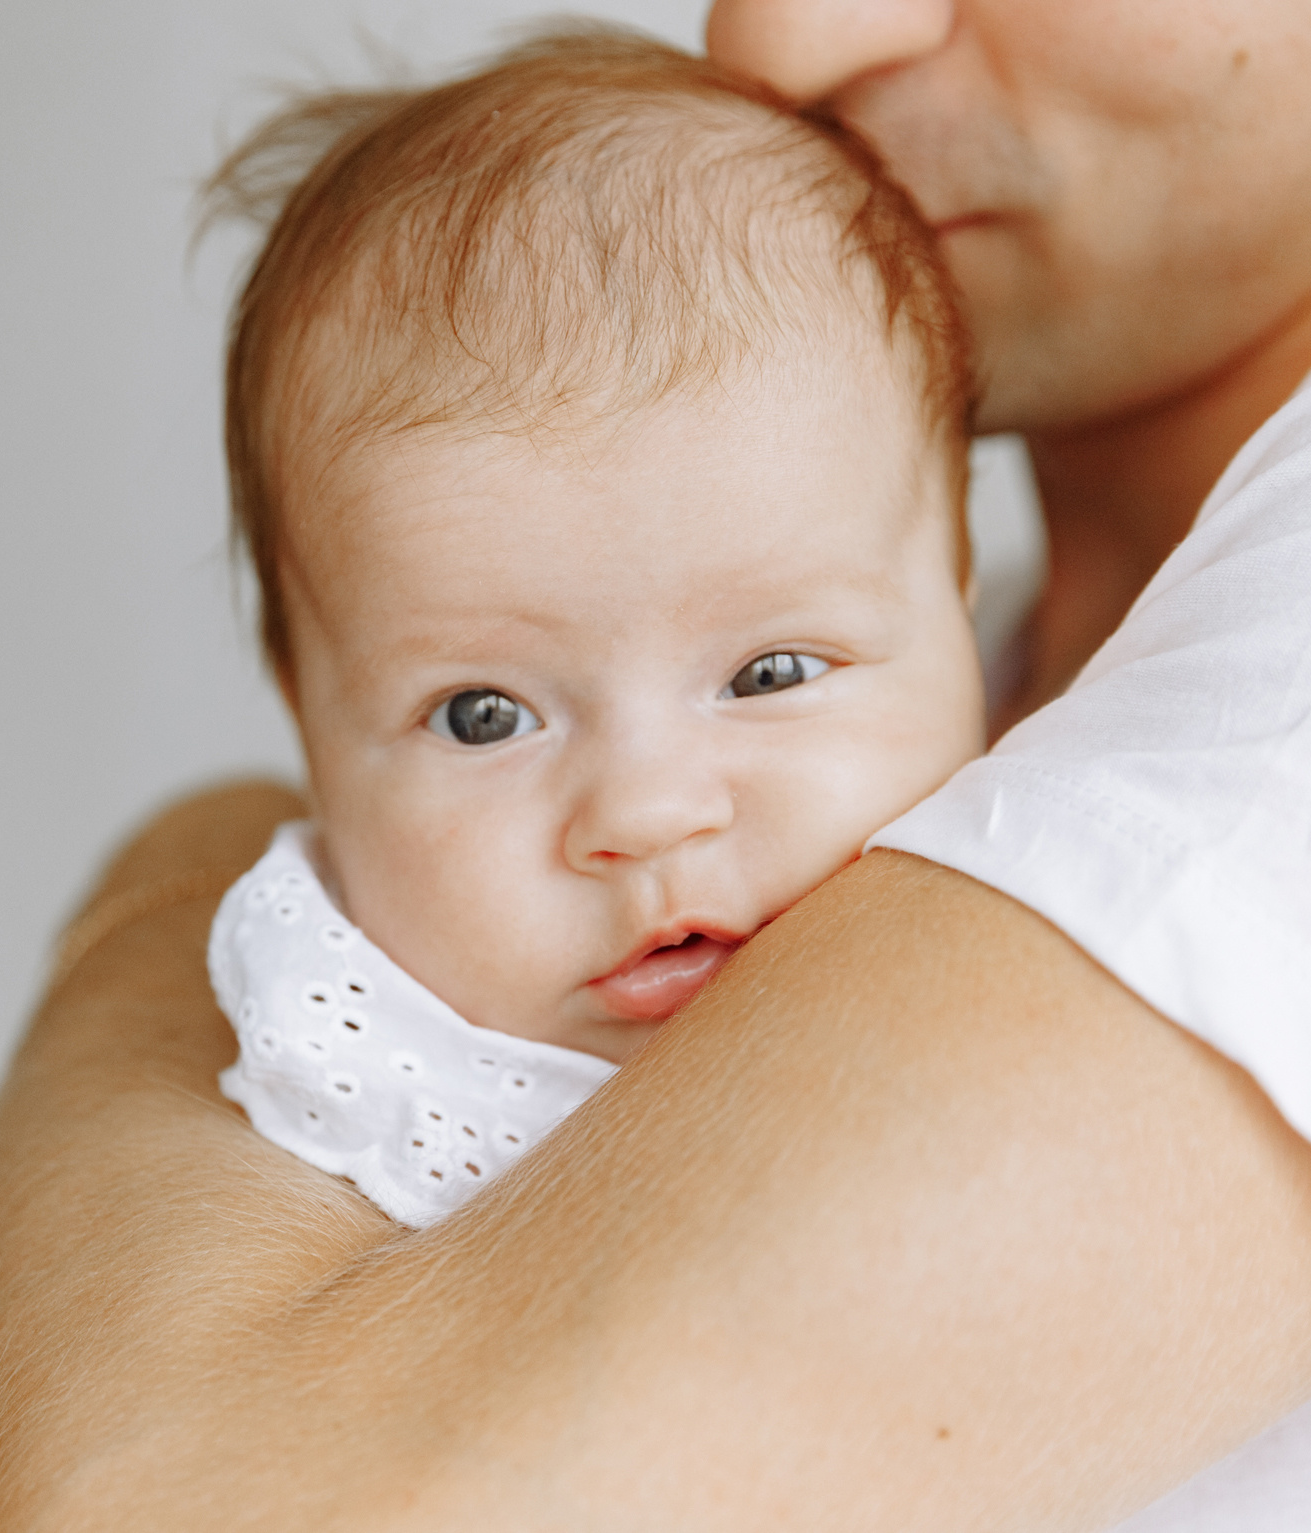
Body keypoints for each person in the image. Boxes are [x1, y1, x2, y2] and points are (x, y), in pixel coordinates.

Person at [0, 1, 1311, 1527]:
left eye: (767, 676)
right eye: (481, 714)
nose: (781, 40)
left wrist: (182, 880)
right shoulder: (981, 697)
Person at [196, 33, 984, 1229]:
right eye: (483, 717)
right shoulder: (352, 1080)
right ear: (304, 716)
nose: (645, 814)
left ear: (959, 594)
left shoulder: (1080, 928)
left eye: (768, 674)